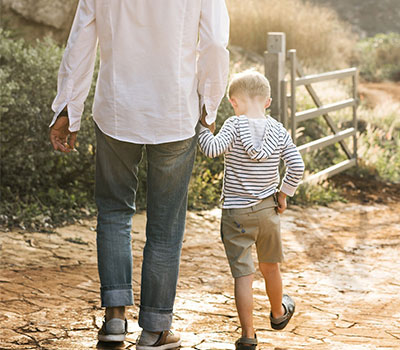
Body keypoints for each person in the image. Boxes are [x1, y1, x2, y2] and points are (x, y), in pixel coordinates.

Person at [49, 0, 229, 348]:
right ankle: (155, 329)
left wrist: (68, 110)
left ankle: (115, 320)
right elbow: (216, 45)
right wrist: (209, 104)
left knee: (114, 213)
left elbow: (81, 42)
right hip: (175, 114)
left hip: (117, 111)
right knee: (166, 227)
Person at [198, 70, 305, 350]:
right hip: (268, 212)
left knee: (243, 276)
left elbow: (211, 149)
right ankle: (279, 314)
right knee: (271, 267)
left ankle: (248, 335)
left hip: (236, 215)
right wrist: (283, 193)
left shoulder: (233, 126)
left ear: (234, 102)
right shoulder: (279, 130)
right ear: (267, 101)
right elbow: (297, 166)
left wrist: (201, 126)